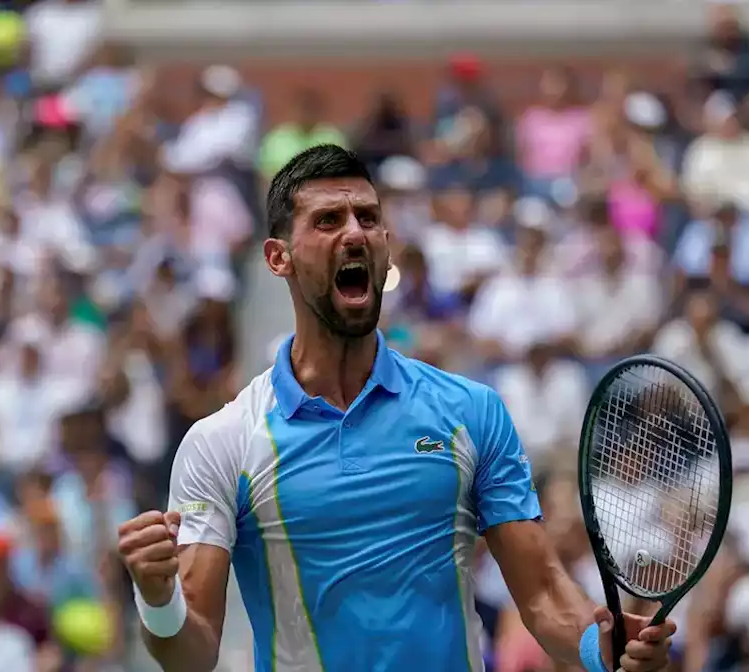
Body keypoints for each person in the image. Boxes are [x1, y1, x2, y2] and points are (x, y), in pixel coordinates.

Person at [116, 144, 677, 671]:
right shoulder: (224, 440)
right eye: (328, 221)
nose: (355, 233)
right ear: (278, 257)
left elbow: (544, 593)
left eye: (368, 217)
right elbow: (191, 656)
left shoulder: (471, 412)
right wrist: (158, 596)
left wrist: (599, 646)